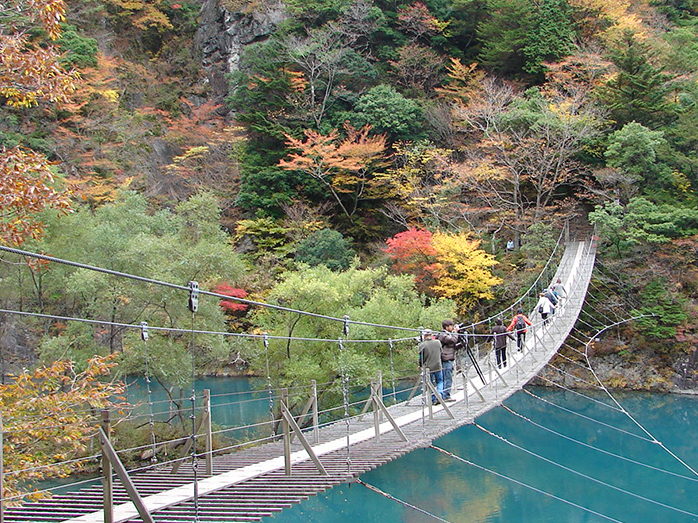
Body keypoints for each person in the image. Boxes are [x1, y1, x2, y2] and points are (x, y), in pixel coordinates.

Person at [418, 330, 443, 405]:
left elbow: (420, 357)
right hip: (438, 366)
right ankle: (440, 395)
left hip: (428, 367)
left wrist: (420, 365)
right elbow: (441, 351)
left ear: (424, 336)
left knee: (430, 384)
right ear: (431, 335)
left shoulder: (422, 345)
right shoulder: (438, 342)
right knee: (440, 381)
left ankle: (433, 399)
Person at [438, 319, 458, 402]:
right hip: (445, 359)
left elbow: (453, 344)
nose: (452, 327)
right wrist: (456, 332)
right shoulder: (443, 335)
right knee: (447, 378)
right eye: (451, 326)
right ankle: (446, 396)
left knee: (447, 377)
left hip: (448, 358)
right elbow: (453, 340)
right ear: (447, 327)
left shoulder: (447, 334)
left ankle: (444, 395)